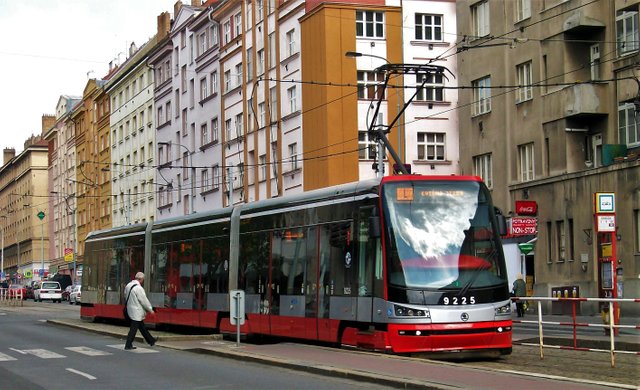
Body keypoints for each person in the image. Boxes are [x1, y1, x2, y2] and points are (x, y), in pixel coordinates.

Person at [124, 272, 156, 350]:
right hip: (137, 311)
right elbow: (143, 300)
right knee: (134, 329)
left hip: (130, 309)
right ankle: (128, 345)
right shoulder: (139, 288)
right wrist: (150, 310)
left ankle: (151, 340)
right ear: (141, 279)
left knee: (142, 327)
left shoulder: (128, 285)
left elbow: (125, 295)